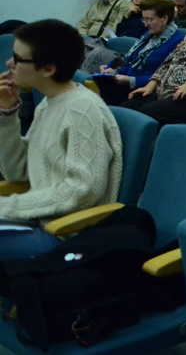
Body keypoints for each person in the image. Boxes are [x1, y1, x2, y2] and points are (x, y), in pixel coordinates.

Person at [0, 20, 123, 260]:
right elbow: (18, 172)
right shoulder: (50, 102)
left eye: (17, 59)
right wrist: (6, 114)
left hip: (65, 235)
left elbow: (83, 190)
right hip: (39, 221)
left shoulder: (82, 110)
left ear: (48, 69)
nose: (9, 63)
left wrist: (9, 206)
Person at [93, 0, 186, 105]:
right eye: (144, 19)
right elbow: (130, 61)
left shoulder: (178, 42)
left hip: (145, 90)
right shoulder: (148, 35)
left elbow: (165, 77)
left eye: (149, 19)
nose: (145, 24)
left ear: (164, 19)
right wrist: (114, 72)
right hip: (126, 85)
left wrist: (131, 80)